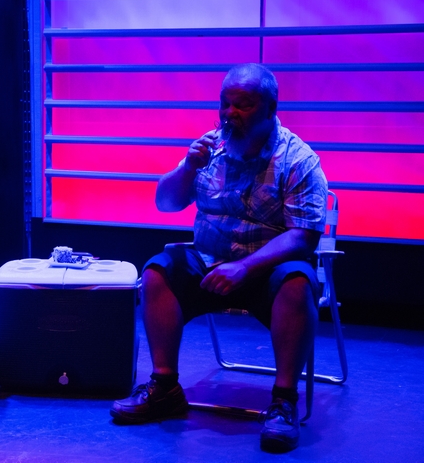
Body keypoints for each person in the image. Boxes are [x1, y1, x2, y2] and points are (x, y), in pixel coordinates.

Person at [110, 63, 328, 453]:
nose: (230, 113)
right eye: (225, 103)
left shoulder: (298, 160)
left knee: (298, 281)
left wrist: (245, 267)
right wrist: (188, 167)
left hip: (267, 269)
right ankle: (164, 387)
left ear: (270, 109)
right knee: (158, 270)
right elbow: (165, 203)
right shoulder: (211, 150)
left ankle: (283, 403)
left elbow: (304, 236)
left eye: (243, 105)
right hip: (209, 262)